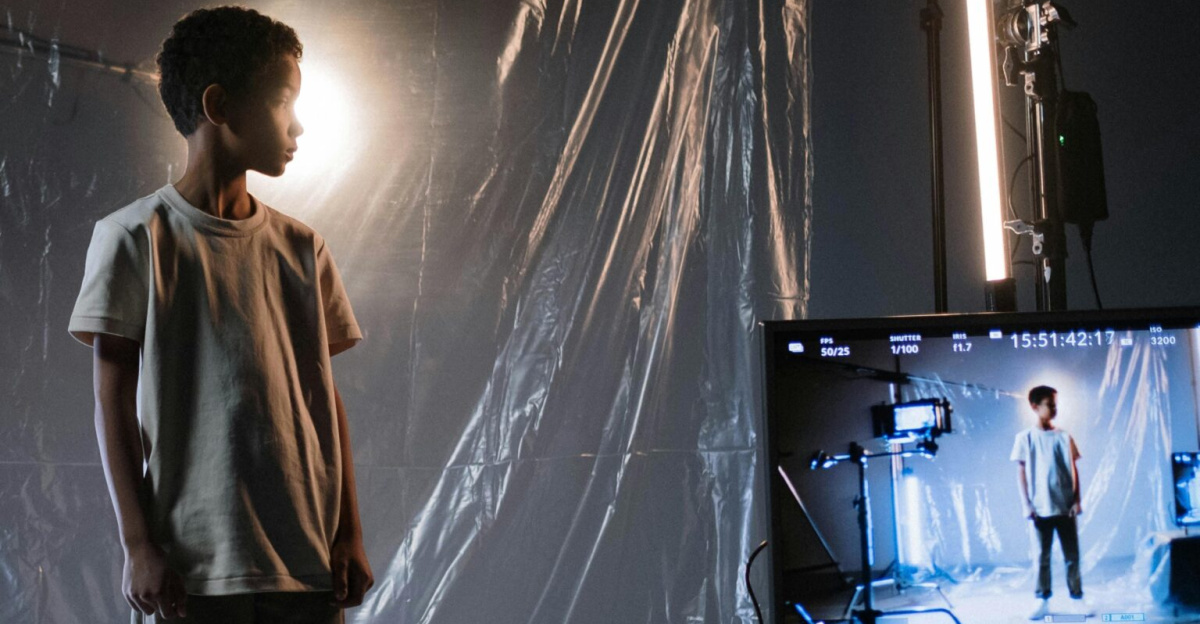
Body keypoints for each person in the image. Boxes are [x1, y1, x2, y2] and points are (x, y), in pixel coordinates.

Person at [68, 6, 373, 622]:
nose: (299, 124)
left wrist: (349, 535)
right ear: (220, 105)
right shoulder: (134, 238)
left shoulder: (302, 247)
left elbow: (323, 396)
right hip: (193, 570)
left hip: (308, 565)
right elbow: (112, 399)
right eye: (285, 101)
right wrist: (138, 545)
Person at [1011, 385, 1083, 620]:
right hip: (1040, 508)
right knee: (1042, 556)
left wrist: (1077, 500)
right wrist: (1026, 504)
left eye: (1055, 404)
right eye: (1049, 404)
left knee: (1071, 555)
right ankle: (1042, 600)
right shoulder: (1025, 438)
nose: (1054, 409)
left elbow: (1073, 469)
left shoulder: (1064, 436)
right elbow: (1021, 471)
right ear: (1035, 406)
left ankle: (1077, 598)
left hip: (1065, 506)